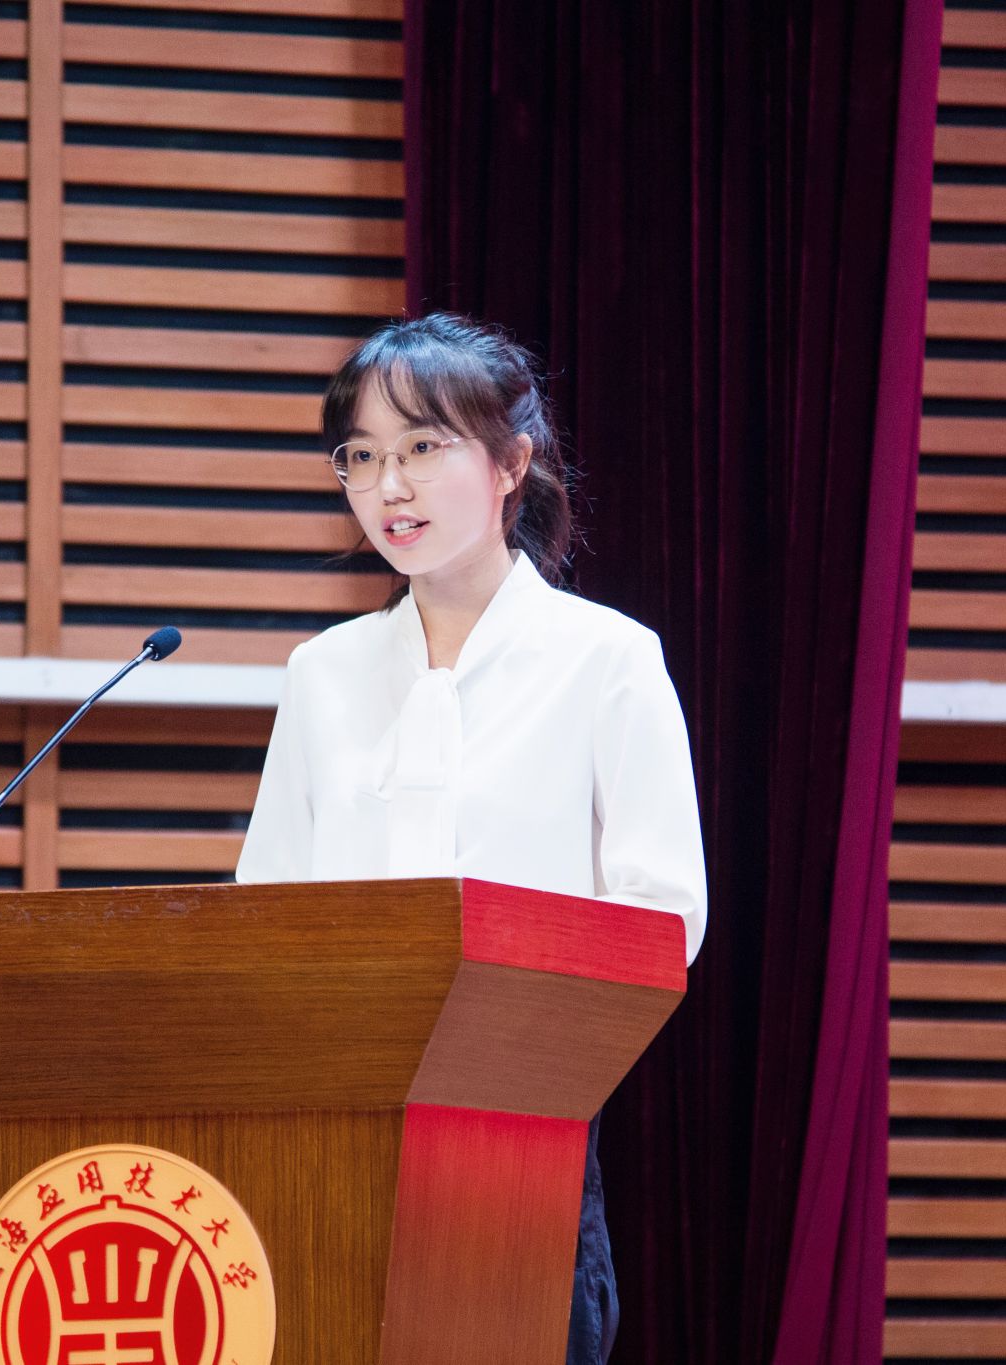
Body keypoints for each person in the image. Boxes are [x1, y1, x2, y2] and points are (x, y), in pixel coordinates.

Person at [234, 312, 707, 1364]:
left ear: (511, 464)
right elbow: (266, 910)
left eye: (421, 447)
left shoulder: (606, 660)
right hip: (333, 1135)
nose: (387, 487)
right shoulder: (322, 674)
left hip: (520, 1133)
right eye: (360, 457)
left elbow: (661, 916)